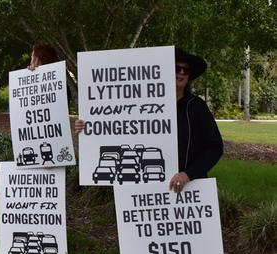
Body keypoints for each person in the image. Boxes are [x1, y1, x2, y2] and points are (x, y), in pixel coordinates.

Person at [74, 48, 223, 193]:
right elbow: (116, 131)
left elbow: (215, 147)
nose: (181, 73)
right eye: (177, 68)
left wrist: (188, 174)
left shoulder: (196, 106)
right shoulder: (141, 106)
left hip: (190, 188)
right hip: (147, 190)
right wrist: (88, 127)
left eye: (186, 70)